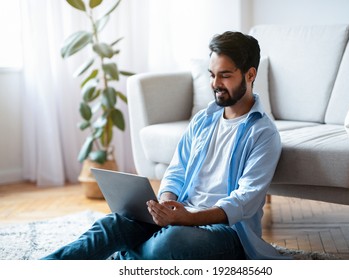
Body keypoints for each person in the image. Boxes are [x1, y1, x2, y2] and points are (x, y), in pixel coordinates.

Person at [42, 31, 283, 260]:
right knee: (114, 223)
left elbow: (245, 200)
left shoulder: (263, 133)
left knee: (169, 242)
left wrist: (188, 218)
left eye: (225, 75)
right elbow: (177, 171)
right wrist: (166, 204)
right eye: (212, 74)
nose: (215, 83)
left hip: (227, 233)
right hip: (181, 217)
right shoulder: (203, 120)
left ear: (250, 75)